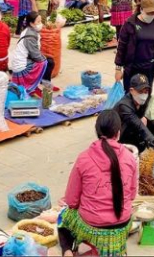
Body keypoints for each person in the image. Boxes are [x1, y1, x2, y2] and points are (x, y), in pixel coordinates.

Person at [59, 110, 137, 257]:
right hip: (123, 224)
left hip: (93, 225)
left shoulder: (84, 158)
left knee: (65, 216)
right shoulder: (129, 157)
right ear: (118, 133)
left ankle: (68, 252)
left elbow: (71, 201)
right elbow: (132, 195)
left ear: (97, 131)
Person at [114, 0, 154, 92]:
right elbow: (121, 46)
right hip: (132, 68)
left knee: (145, 98)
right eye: (148, 13)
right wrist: (118, 68)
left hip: (149, 69)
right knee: (130, 97)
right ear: (141, 9)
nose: (151, 15)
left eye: (153, 13)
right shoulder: (130, 24)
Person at [112, 74, 154, 152]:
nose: (144, 95)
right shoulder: (124, 105)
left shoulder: (143, 100)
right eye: (140, 91)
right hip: (121, 132)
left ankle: (143, 146)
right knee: (137, 129)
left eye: (146, 91)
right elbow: (138, 124)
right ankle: (129, 151)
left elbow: (140, 118)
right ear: (131, 90)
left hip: (134, 124)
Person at [9, 11, 55, 93]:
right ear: (31, 23)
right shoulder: (30, 36)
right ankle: (41, 84)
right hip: (21, 67)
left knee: (48, 60)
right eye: (38, 22)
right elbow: (36, 56)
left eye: (41, 21)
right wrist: (45, 58)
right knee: (45, 62)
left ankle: (44, 82)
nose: (41, 24)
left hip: (24, 60)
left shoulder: (29, 30)